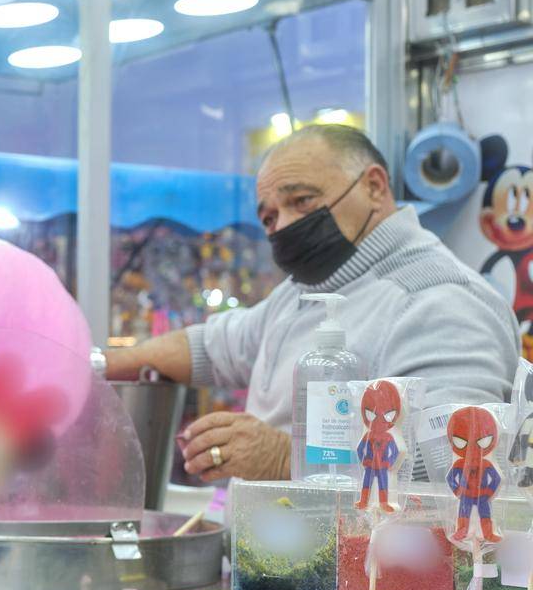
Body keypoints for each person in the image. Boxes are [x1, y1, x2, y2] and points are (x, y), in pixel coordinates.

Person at [107, 124, 518, 483]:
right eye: (269, 218)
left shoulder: (440, 301)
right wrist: (97, 365)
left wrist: (289, 458)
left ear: (374, 186)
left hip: (367, 572)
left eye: (302, 200)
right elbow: (214, 347)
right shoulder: (304, 290)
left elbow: (458, 467)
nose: (284, 225)